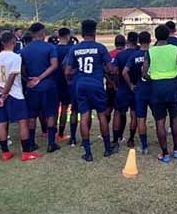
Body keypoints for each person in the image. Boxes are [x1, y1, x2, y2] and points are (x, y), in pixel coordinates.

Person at [65, 19, 117, 162]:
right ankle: (107, 148)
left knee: (85, 116)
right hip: (96, 85)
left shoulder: (74, 49)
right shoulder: (100, 48)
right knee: (101, 115)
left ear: (82, 33)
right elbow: (111, 69)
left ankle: (88, 152)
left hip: (81, 84)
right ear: (94, 32)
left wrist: (76, 73)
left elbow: (68, 71)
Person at [0, 32, 41, 162]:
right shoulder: (15, 57)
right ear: (14, 42)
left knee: (2, 123)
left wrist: (0, 91)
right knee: (23, 122)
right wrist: (6, 93)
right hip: (14, 94)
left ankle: (5, 152)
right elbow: (12, 76)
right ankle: (26, 152)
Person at [143, 24, 177, 163]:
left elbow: (144, 72)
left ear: (155, 37)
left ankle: (165, 153)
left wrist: (154, 77)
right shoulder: (175, 49)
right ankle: (176, 149)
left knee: (160, 121)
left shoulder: (150, 52)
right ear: (168, 35)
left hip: (157, 88)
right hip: (172, 86)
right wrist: (175, 74)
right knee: (174, 118)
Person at [20, 23, 61, 153]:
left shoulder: (24, 50)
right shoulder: (50, 47)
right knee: (51, 114)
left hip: (32, 87)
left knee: (32, 115)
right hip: (48, 86)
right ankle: (51, 143)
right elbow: (54, 65)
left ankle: (31, 143)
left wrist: (29, 79)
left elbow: (20, 69)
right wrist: (40, 78)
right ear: (43, 33)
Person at [124, 31, 151, 154]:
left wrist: (130, 85)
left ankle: (144, 146)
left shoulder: (134, 55)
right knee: (159, 118)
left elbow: (124, 72)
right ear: (150, 41)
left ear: (139, 42)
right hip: (153, 88)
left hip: (140, 89)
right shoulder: (153, 54)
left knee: (141, 118)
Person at [113, 32, 139, 148]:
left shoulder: (120, 55)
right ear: (137, 41)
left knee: (118, 113)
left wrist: (115, 84)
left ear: (127, 41)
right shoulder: (139, 55)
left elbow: (114, 71)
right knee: (134, 114)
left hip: (122, 88)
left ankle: (115, 139)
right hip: (136, 89)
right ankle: (131, 139)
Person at [53, 28, 75, 143]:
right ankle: (61, 133)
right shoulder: (72, 49)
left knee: (55, 109)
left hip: (55, 82)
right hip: (68, 82)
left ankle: (53, 133)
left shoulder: (53, 48)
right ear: (68, 36)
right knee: (65, 108)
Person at [106, 35, 126, 140]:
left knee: (108, 109)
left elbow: (105, 71)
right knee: (121, 112)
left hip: (110, 86)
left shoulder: (109, 54)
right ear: (125, 43)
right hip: (122, 87)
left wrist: (110, 83)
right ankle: (119, 136)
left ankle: (104, 132)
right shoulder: (125, 55)